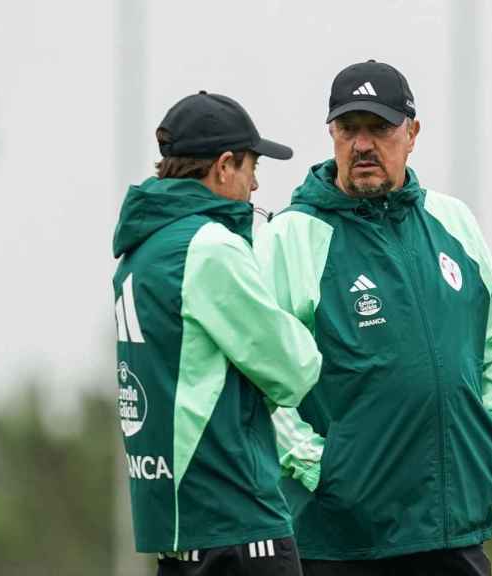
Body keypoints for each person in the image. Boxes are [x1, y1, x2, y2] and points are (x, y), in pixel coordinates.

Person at [254, 60, 492, 576]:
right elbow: (257, 381)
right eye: (348, 129)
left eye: (379, 128)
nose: (362, 144)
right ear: (332, 135)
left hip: (453, 533)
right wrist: (325, 469)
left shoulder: (454, 223)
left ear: (412, 133)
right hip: (340, 544)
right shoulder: (290, 238)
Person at [111, 91, 321, 576]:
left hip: (178, 537)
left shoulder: (138, 254)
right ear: (224, 166)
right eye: (251, 167)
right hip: (240, 530)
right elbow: (296, 371)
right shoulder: (210, 249)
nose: (255, 185)